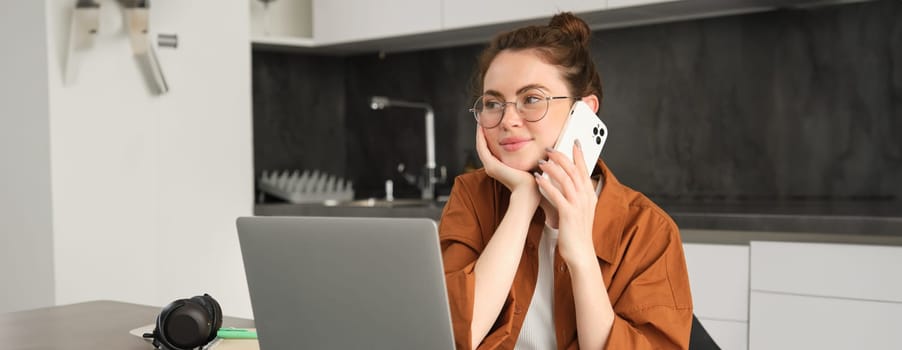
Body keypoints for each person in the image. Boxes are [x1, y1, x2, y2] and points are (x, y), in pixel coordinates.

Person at [439, 12, 693, 350]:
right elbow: (450, 337)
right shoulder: (472, 196)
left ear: (584, 112)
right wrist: (522, 203)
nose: (507, 120)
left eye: (531, 99)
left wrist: (581, 256)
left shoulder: (647, 230)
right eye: (493, 103)